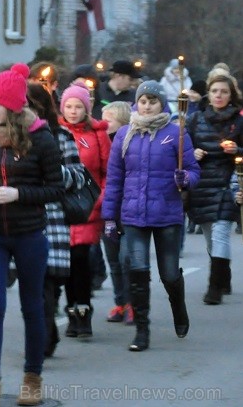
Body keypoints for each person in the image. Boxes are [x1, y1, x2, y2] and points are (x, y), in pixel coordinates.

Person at [0, 64, 63, 407]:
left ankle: (32, 378)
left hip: (28, 234)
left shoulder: (42, 139)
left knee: (32, 306)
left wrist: (18, 194)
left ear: (11, 105)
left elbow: (56, 188)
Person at [102, 80, 200, 352]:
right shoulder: (124, 134)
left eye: (152, 101)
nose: (146, 106)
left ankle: (178, 307)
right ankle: (142, 330)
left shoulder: (176, 133)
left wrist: (186, 178)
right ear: (137, 103)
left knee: (169, 274)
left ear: (161, 104)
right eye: (143, 101)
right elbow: (114, 180)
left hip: (167, 213)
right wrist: (110, 217)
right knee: (137, 271)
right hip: (133, 214)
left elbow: (193, 171)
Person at [25, 83, 85, 358]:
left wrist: (50, 169)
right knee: (32, 285)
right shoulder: (9, 135)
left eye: (31, 106)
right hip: (20, 216)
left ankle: (44, 335)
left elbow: (78, 176)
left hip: (51, 217)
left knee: (47, 283)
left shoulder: (60, 135)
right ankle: (43, 332)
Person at [185, 72, 243, 305]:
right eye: (215, 91)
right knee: (211, 237)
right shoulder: (196, 119)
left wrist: (237, 151)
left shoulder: (239, 122)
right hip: (202, 184)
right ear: (208, 94)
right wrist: (193, 154)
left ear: (231, 96)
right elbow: (182, 151)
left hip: (228, 183)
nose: (219, 95)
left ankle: (214, 287)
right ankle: (224, 274)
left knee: (221, 234)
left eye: (224, 91)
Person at [58, 84, 111, 339]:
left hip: (88, 206)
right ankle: (71, 311)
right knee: (65, 264)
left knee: (81, 260)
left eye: (78, 106)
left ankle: (84, 311)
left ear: (86, 109)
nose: (73, 111)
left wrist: (100, 201)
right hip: (62, 207)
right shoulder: (56, 133)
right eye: (68, 106)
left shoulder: (97, 134)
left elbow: (106, 171)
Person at [100, 102, 134, 324]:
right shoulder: (100, 142)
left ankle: (134, 303)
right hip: (108, 207)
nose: (103, 124)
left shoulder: (130, 143)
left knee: (127, 258)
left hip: (129, 208)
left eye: (108, 120)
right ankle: (120, 302)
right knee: (113, 259)